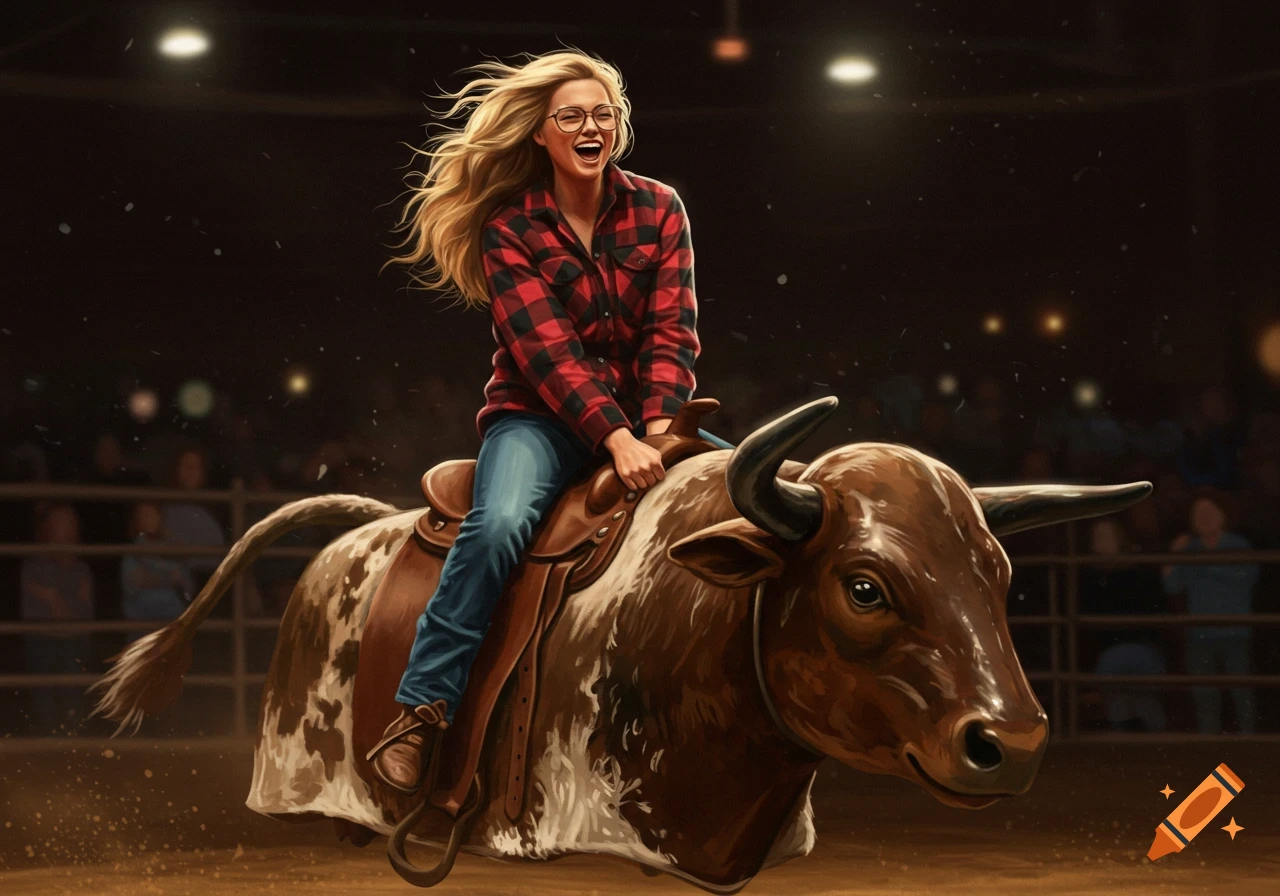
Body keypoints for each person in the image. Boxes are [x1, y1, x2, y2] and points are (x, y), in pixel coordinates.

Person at [366, 49, 734, 795]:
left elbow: (673, 331)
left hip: (649, 423)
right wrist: (617, 437)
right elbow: (548, 354)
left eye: (602, 114)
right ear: (541, 132)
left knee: (762, 498)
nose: (589, 125)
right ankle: (421, 706)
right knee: (499, 526)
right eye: (571, 115)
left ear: (619, 128)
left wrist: (662, 428)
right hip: (538, 421)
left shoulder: (661, 208)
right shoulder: (509, 228)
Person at [1161, 489, 1259, 734]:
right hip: (1201, 633)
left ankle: (1251, 744)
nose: (1204, 517)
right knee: (1205, 695)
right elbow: (1172, 585)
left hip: (1234, 631)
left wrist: (1204, 562)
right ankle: (1209, 744)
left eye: (1209, 511)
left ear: (1222, 515)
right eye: (1199, 513)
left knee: (1242, 693)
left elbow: (1250, 577)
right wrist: (1173, 555)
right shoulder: (1189, 549)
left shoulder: (1238, 545)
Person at [1077, 518, 1168, 732]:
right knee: (1120, 698)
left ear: (1120, 539)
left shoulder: (1139, 571)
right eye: (1098, 537)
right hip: (1114, 650)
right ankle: (1135, 742)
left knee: (1138, 698)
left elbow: (1154, 610)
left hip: (1141, 647)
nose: (1103, 542)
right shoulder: (1090, 576)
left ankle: (1149, 740)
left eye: (1108, 536)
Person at [20, 503, 95, 733]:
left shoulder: (81, 570)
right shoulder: (33, 567)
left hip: (72, 641)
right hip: (42, 640)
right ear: (47, 530)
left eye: (69, 525)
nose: (64, 531)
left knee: (71, 692)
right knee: (44, 693)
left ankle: (73, 740)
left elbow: (85, 611)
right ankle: (49, 740)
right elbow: (31, 609)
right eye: (59, 524)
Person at [161, 447, 227, 595]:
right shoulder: (167, 509)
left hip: (216, 577)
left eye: (195, 467)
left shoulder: (215, 506)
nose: (190, 471)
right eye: (186, 466)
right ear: (176, 471)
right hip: (185, 579)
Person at [121, 502, 193, 628]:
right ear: (136, 521)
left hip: (171, 617)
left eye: (152, 514)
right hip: (141, 620)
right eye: (143, 515)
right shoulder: (133, 554)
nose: (149, 519)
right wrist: (168, 578)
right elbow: (132, 584)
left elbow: (188, 587)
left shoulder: (174, 548)